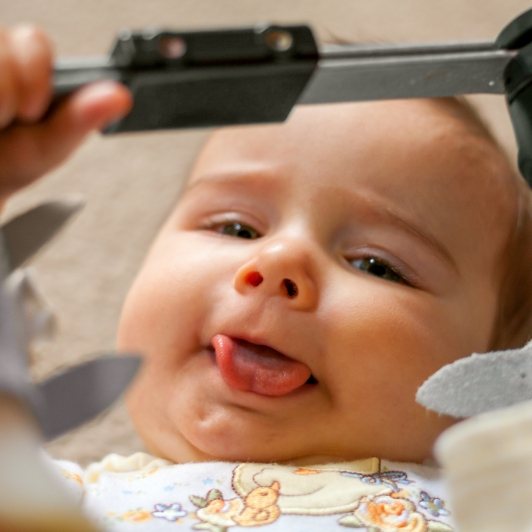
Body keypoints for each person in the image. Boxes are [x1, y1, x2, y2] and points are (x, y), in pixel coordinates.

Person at [0, 25, 530, 531]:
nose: (278, 263)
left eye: (376, 265)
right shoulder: (49, 494)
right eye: (235, 228)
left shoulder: (494, 497)